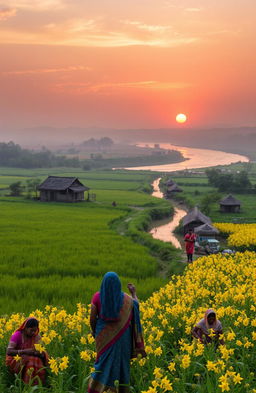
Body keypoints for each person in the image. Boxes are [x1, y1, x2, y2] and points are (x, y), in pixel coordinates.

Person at [88, 272, 146, 393]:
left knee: (102, 364)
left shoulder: (97, 297)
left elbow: (92, 318)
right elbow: (136, 305)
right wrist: (134, 293)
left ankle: (98, 389)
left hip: (103, 338)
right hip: (123, 339)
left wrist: (95, 332)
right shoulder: (127, 299)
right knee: (122, 365)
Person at [6, 317, 48, 385]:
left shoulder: (36, 336)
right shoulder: (17, 335)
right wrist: (25, 351)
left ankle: (38, 385)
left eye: (35, 330)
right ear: (25, 328)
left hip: (31, 357)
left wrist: (39, 353)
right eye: (31, 330)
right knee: (29, 360)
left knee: (37, 360)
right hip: (16, 359)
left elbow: (41, 350)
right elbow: (9, 352)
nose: (33, 332)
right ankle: (27, 384)